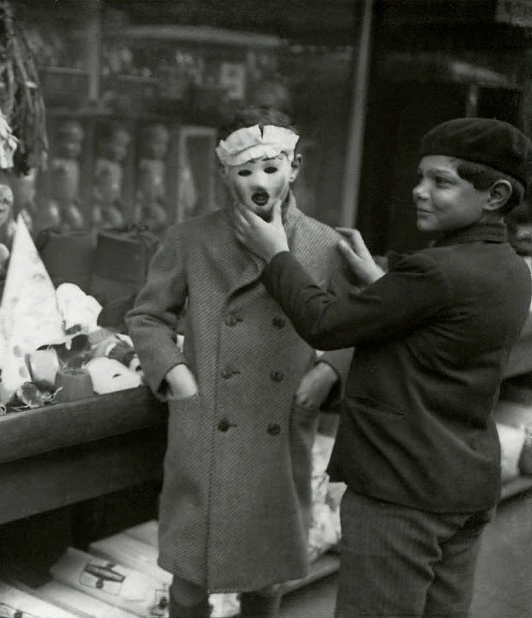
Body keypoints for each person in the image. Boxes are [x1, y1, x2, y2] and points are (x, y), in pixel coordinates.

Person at [230, 117, 532, 617]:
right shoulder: (508, 265)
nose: (420, 192)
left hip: (403, 493)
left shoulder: (436, 271)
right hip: (464, 483)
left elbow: (326, 324)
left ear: (496, 194)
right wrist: (381, 283)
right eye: (420, 177)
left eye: (441, 182)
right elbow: (437, 329)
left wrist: (275, 255)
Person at [126, 106, 353, 618]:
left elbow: (364, 321)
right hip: (207, 424)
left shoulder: (323, 243)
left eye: (271, 168)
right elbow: (146, 317)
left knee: (265, 576)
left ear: (294, 168)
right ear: (225, 172)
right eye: (244, 170)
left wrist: (329, 370)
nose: (258, 181)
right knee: (189, 575)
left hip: (280, 417)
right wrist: (180, 379)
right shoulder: (192, 238)